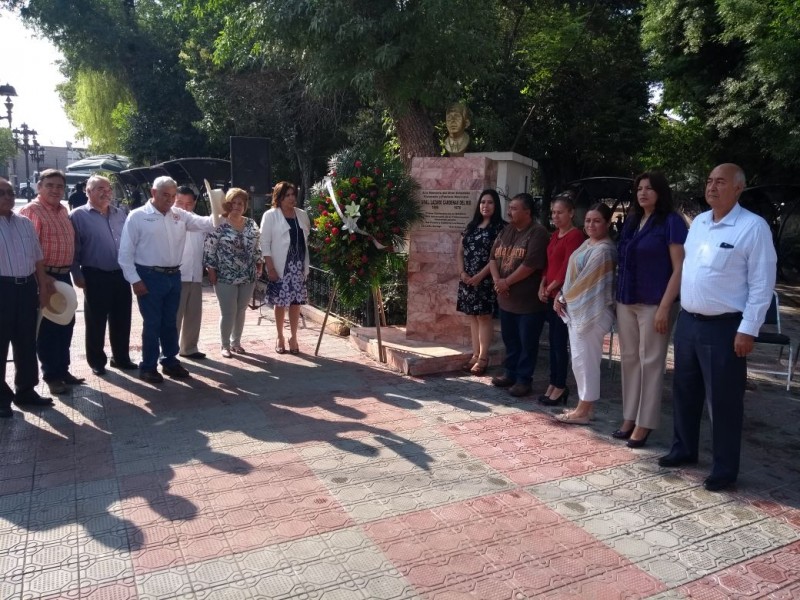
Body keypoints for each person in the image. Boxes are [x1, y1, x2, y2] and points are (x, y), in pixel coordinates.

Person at [659, 163, 776, 492]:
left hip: (725, 328)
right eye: (709, 181)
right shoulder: (698, 223)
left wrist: (748, 329)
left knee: (723, 401)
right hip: (690, 322)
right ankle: (684, 449)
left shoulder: (753, 228)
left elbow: (762, 284)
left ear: (738, 188)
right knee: (684, 391)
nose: (712, 187)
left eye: (720, 182)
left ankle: (724, 468)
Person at [613, 172, 688, 448]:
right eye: (639, 188)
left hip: (656, 302)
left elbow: (679, 267)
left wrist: (665, 307)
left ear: (660, 192)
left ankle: (645, 423)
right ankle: (629, 416)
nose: (643, 193)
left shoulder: (672, 222)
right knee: (630, 360)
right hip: (627, 300)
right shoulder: (632, 221)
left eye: (649, 188)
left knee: (651, 362)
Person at [118, 176, 216, 383]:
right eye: (165, 195)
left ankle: (170, 361)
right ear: (153, 193)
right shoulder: (137, 217)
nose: (170, 200)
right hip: (149, 276)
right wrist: (135, 280)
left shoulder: (179, 215)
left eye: (173, 196)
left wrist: (221, 211)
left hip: (174, 275)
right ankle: (148, 366)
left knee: (169, 322)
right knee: (153, 323)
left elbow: (206, 224)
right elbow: (125, 254)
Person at [19, 169, 85, 396]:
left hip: (63, 275)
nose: (55, 190)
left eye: (59, 186)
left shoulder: (62, 210)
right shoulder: (31, 211)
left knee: (66, 324)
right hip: (44, 276)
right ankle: (52, 375)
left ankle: (62, 370)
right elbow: (27, 249)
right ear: (39, 187)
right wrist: (41, 280)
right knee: (48, 327)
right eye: (50, 185)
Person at [554, 203, 617, 424]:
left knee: (586, 361)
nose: (591, 224)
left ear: (607, 224)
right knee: (579, 361)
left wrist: (563, 297)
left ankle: (585, 410)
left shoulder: (604, 249)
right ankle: (584, 407)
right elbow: (573, 278)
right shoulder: (587, 243)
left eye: (597, 220)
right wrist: (561, 294)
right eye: (588, 220)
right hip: (577, 309)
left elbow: (587, 282)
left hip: (594, 311)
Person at [70, 175, 138, 376]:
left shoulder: (120, 214)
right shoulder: (77, 216)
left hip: (121, 275)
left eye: (108, 189)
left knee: (122, 319)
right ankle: (97, 361)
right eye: (100, 188)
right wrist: (76, 273)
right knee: (96, 321)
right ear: (88, 191)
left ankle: (121, 358)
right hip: (94, 275)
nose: (106, 192)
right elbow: (73, 249)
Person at [0, 178, 56, 417]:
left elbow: (37, 258)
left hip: (25, 289)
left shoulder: (24, 223)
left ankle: (26, 390)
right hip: (2, 288)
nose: (8, 197)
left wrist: (42, 286)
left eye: (10, 193)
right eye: (2, 193)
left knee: (26, 341)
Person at [487, 193, 549, 397]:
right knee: (510, 340)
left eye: (514, 208)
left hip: (528, 303)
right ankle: (510, 373)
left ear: (527, 212)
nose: (509, 211)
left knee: (527, 343)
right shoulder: (507, 230)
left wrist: (506, 282)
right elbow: (493, 258)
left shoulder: (538, 233)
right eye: (510, 207)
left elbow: (530, 265)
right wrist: (498, 281)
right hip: (506, 300)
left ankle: (524, 380)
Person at [537, 192, 585, 406]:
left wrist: (553, 287)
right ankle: (553, 383)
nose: (555, 216)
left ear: (571, 213)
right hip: (550, 293)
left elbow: (569, 266)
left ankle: (560, 385)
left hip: (563, 296)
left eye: (560, 212)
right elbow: (548, 264)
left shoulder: (575, 236)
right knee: (552, 341)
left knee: (559, 343)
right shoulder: (554, 235)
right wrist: (542, 284)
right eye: (553, 213)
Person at [204, 188, 262, 357]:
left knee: (241, 309)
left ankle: (236, 342)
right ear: (228, 205)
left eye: (240, 203)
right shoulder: (219, 223)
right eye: (234, 203)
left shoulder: (251, 223)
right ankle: (224, 345)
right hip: (225, 275)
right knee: (229, 311)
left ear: (245, 206)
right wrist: (211, 270)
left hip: (248, 274)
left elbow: (257, 244)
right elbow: (209, 249)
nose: (237, 206)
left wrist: (259, 262)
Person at [456, 189, 505, 376]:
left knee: (484, 317)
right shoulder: (471, 226)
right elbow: (459, 251)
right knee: (472, 317)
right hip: (467, 279)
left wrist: (481, 276)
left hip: (485, 281)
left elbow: (497, 258)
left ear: (496, 205)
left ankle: (484, 358)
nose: (486, 206)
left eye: (490, 202)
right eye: (483, 202)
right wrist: (462, 273)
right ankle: (475, 354)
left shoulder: (500, 228)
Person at [260, 181, 310, 355]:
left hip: (297, 265)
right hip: (281, 266)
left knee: (296, 303)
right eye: (287, 195)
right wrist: (270, 268)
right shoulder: (270, 215)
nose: (291, 198)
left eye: (293, 194)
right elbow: (264, 243)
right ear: (279, 198)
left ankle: (294, 337)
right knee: (280, 303)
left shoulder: (302, 215)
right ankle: (280, 336)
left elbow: (306, 238)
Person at [174, 186, 207, 360]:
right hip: (176, 274)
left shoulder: (199, 221)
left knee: (194, 313)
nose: (183, 208)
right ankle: (169, 351)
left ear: (193, 203)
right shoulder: (168, 220)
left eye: (188, 204)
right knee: (175, 315)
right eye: (179, 202)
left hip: (195, 274)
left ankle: (189, 347)